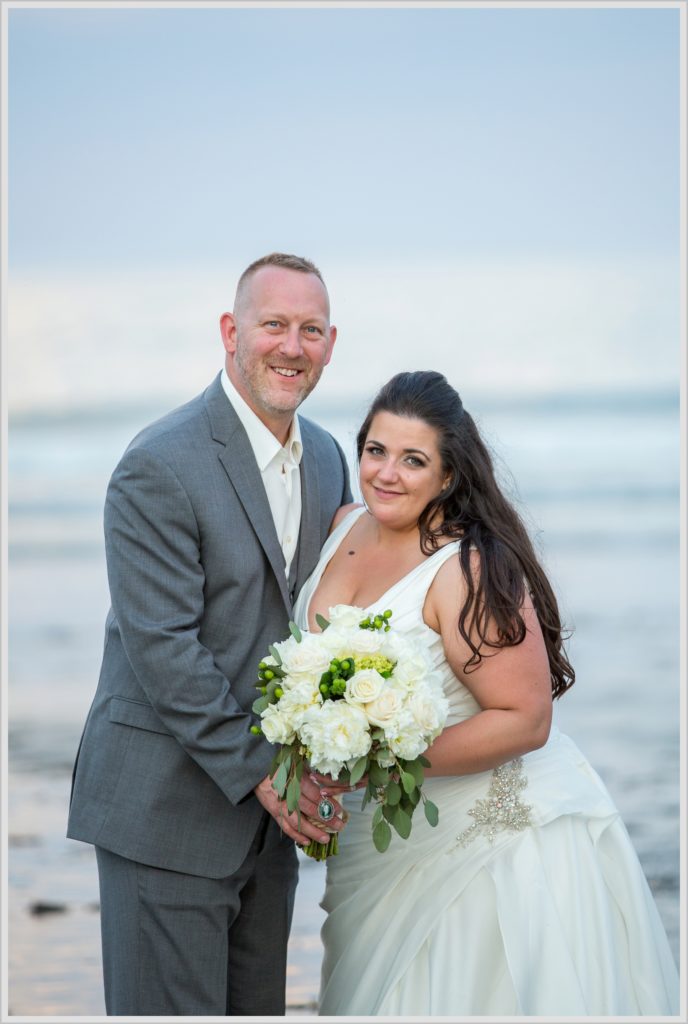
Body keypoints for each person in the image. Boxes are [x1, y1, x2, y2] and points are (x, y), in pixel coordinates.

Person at [293, 370, 679, 1016]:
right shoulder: (342, 526)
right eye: (376, 451)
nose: (387, 473)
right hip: (375, 845)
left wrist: (383, 759)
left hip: (483, 850)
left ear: (447, 477)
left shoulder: (466, 567)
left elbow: (527, 718)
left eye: (414, 460)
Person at [67, 253, 353, 1016]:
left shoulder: (327, 458)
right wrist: (269, 773)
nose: (292, 346)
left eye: (311, 330)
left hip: (266, 828)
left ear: (331, 344)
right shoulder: (158, 464)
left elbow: (329, 626)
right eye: (274, 325)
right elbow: (163, 646)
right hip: (164, 810)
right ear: (231, 332)